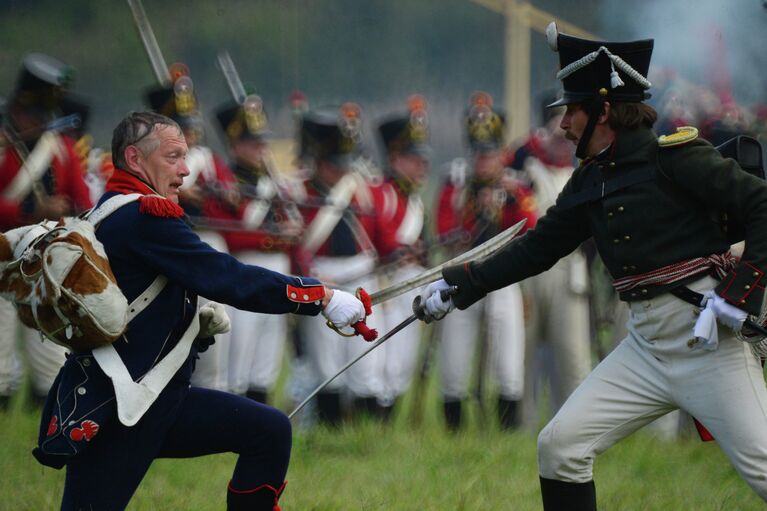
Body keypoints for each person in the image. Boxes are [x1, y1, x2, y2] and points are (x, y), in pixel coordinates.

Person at [421, 22, 767, 509]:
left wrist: (743, 292)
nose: (563, 125)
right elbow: (539, 248)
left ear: (603, 110)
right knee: (559, 448)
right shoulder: (590, 179)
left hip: (707, 344)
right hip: (644, 347)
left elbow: (761, 204)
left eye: (572, 111)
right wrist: (463, 284)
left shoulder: (677, 158)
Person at [32, 111, 368, 511]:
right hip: (123, 406)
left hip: (158, 400)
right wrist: (321, 297)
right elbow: (227, 277)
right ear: (136, 159)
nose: (185, 170)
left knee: (269, 431)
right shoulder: (144, 215)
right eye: (173, 157)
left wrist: (190, 326)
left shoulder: (114, 210)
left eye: (185, 157)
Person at [434, 91, 537, 430]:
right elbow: (445, 230)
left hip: (501, 279)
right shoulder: (456, 185)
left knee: (509, 367)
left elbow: (529, 229)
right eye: (478, 152)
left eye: (490, 152)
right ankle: (455, 432)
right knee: (454, 365)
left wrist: (504, 204)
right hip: (461, 277)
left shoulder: (516, 188)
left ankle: (507, 432)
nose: (483, 159)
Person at [0, 53, 91, 409]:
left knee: (50, 353)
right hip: (3, 254)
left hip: (46, 259)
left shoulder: (63, 149)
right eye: (34, 113)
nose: (39, 121)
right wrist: (29, 210)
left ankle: (43, 415)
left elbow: (82, 200)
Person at [145, 66, 240, 391]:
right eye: (182, 127)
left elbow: (234, 203)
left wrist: (224, 195)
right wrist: (182, 195)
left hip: (207, 241)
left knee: (212, 329)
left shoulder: (210, 160)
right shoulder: (151, 163)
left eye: (190, 127)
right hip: (169, 244)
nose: (190, 133)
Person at [291, 104, 385, 425]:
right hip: (321, 276)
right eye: (333, 164)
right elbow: (297, 243)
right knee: (326, 363)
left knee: (365, 361)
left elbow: (381, 237)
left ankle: (366, 434)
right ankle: (331, 429)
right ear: (317, 160)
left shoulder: (363, 189)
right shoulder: (299, 190)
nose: (340, 171)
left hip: (361, 275)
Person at [214, 94, 303, 404]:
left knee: (266, 361)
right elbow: (233, 236)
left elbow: (294, 231)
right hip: (244, 269)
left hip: (278, 271)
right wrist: (277, 237)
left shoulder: (273, 184)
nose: (261, 148)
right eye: (253, 143)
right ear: (235, 145)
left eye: (262, 142)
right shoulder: (224, 181)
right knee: (238, 357)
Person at [509, 92, 592, 424]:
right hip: (529, 270)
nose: (563, 140)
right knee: (523, 356)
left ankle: (574, 425)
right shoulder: (523, 167)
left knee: (573, 358)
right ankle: (522, 425)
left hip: (570, 270)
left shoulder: (583, 169)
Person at [369, 95, 432, 417]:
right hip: (386, 285)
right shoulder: (383, 193)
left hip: (409, 285)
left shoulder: (416, 201)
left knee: (401, 364)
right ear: (395, 158)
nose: (422, 164)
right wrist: (401, 251)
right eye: (413, 157)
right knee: (384, 361)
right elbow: (379, 240)